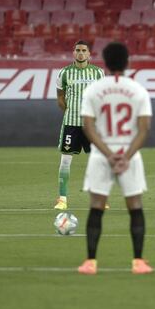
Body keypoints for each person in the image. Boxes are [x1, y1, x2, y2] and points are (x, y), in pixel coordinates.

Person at [77, 42, 153, 275]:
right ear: (127, 61)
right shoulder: (138, 90)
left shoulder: (93, 89)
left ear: (105, 62)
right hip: (129, 154)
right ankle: (138, 262)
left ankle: (90, 262)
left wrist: (109, 155)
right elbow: (144, 128)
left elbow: (88, 127)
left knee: (97, 206)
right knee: (135, 206)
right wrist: (125, 156)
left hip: (102, 154)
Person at [53, 40, 105, 210]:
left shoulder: (98, 73)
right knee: (65, 161)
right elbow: (60, 97)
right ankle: (62, 199)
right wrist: (69, 111)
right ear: (73, 53)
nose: (81, 53)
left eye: (84, 50)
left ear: (89, 54)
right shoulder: (64, 73)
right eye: (78, 50)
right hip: (71, 124)